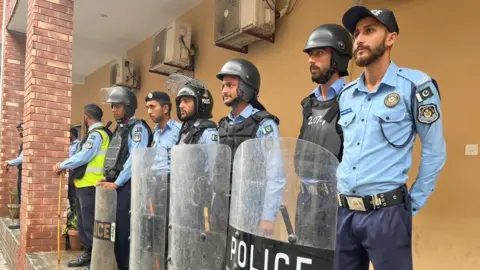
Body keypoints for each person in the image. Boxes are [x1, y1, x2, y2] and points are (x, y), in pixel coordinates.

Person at [335, 6, 447, 270]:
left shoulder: (416, 87)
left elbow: (435, 151)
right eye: (357, 33)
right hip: (344, 212)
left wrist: (411, 203)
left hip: (386, 214)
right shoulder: (347, 94)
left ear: (391, 38)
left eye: (370, 30)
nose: (359, 39)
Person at [294, 24, 353, 246]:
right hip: (306, 199)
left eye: (319, 53)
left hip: (335, 203)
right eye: (310, 54)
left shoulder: (351, 100)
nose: (311, 60)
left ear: (337, 58)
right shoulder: (308, 104)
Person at [216, 58, 282, 235]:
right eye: (223, 86)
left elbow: (275, 174)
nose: (223, 91)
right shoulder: (222, 126)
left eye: (230, 85)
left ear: (245, 88)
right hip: (222, 209)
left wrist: (268, 216)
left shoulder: (264, 125)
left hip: (250, 210)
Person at [97, 86, 152, 270]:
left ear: (128, 107)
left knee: (125, 232)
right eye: (112, 106)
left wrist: (117, 183)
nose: (113, 110)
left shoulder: (137, 129)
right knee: (115, 232)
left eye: (117, 106)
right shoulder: (121, 129)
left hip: (128, 187)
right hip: (116, 186)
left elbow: (134, 159)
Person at [53, 104, 111, 269]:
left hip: (91, 186)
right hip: (85, 185)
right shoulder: (97, 134)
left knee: (90, 224)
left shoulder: (97, 135)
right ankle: (89, 255)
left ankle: (94, 259)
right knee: (84, 224)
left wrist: (63, 164)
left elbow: (84, 156)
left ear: (86, 117)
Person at [145, 91, 181, 175]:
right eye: (148, 107)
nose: (149, 111)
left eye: (152, 107)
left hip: (170, 182)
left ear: (165, 109)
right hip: (155, 183)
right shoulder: (155, 132)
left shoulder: (179, 130)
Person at [175, 78, 218, 145]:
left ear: (200, 103)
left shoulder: (207, 132)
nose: (180, 106)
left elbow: (214, 155)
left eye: (186, 101)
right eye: (180, 102)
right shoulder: (185, 129)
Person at [4, 123, 23, 229]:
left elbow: (22, 158)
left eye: (21, 130)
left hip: (26, 174)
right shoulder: (23, 143)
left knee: (22, 197)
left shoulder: (27, 143)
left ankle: (21, 222)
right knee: (20, 196)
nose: (20, 132)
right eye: (18, 130)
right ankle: (20, 221)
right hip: (21, 172)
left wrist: (10, 162)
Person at [68, 128, 81, 209]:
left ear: (72, 134)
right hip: (68, 170)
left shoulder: (78, 144)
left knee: (74, 191)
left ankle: (75, 209)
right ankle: (72, 208)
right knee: (69, 191)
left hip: (74, 170)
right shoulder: (69, 144)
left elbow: (77, 157)